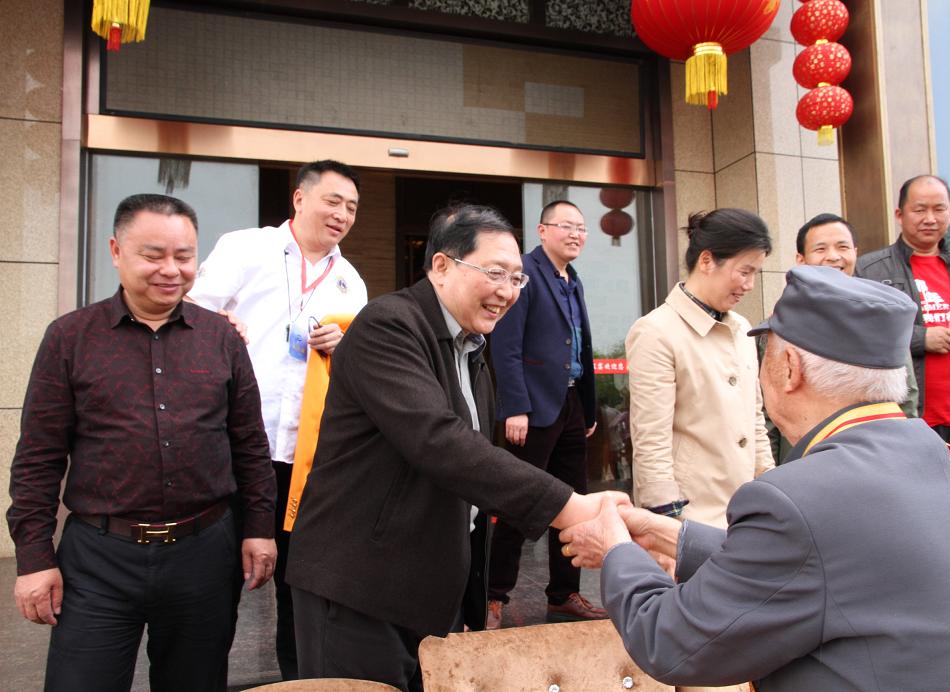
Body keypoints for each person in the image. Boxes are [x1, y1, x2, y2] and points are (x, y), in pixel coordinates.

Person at [559, 266, 950, 691]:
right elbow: (817, 564)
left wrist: (616, 549)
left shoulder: (799, 497)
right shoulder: (933, 455)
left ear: (788, 369)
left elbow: (671, 642)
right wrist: (671, 536)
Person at [285, 204, 629, 691]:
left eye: (516, 278)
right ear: (442, 266)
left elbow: (469, 481)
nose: (507, 291)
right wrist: (573, 508)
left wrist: (470, 599)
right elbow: (440, 443)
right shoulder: (388, 326)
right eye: (495, 273)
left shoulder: (472, 349)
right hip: (360, 587)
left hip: (426, 588)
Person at [8, 194, 277, 692]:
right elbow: (38, 459)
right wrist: (34, 558)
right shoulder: (70, 337)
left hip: (204, 554)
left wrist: (259, 528)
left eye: (184, 256)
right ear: (116, 251)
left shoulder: (221, 338)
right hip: (99, 558)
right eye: (153, 255)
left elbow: (249, 444)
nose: (171, 270)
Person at [188, 159, 367, 679]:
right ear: (299, 198)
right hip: (234, 449)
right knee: (215, 587)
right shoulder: (246, 248)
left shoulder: (350, 281)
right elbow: (189, 311)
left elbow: (358, 368)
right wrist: (220, 323)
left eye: (352, 207)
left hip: (305, 458)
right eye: (333, 201)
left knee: (302, 588)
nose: (342, 214)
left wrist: (344, 346)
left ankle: (301, 683)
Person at [485, 200, 604, 629]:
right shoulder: (525, 273)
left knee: (575, 505)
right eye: (566, 226)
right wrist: (515, 406)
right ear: (542, 230)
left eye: (581, 228)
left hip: (570, 404)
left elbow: (579, 346)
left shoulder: (573, 279)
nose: (575, 234)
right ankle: (492, 595)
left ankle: (564, 595)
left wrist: (587, 407)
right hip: (534, 406)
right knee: (519, 503)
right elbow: (506, 344)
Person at [626, 209, 774, 529]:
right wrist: (665, 517)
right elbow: (651, 437)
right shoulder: (655, 331)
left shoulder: (742, 328)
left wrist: (769, 482)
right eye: (744, 271)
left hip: (747, 509)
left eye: (756, 274)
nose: (749, 285)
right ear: (707, 260)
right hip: (691, 513)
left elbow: (754, 419)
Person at [856, 175, 950, 469]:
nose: (930, 218)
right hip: (910, 419)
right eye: (920, 209)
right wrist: (921, 339)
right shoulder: (870, 270)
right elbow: (861, 335)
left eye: (939, 209)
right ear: (900, 214)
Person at [794, 212, 918, 417]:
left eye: (842, 247)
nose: (833, 256)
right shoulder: (785, 322)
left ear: (855, 253)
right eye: (820, 249)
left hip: (874, 433)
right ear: (801, 260)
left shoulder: (884, 318)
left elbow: (907, 396)